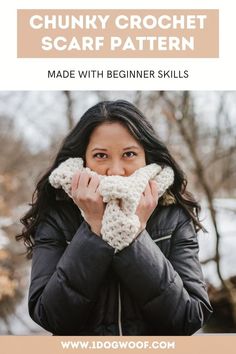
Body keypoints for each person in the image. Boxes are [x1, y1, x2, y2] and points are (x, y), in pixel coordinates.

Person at [17, 100, 212, 336]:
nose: (116, 170)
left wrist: (134, 234)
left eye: (129, 154)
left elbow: (189, 318)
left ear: (146, 157)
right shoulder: (57, 215)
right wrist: (94, 228)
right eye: (101, 155)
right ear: (83, 159)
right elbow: (50, 316)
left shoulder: (174, 215)